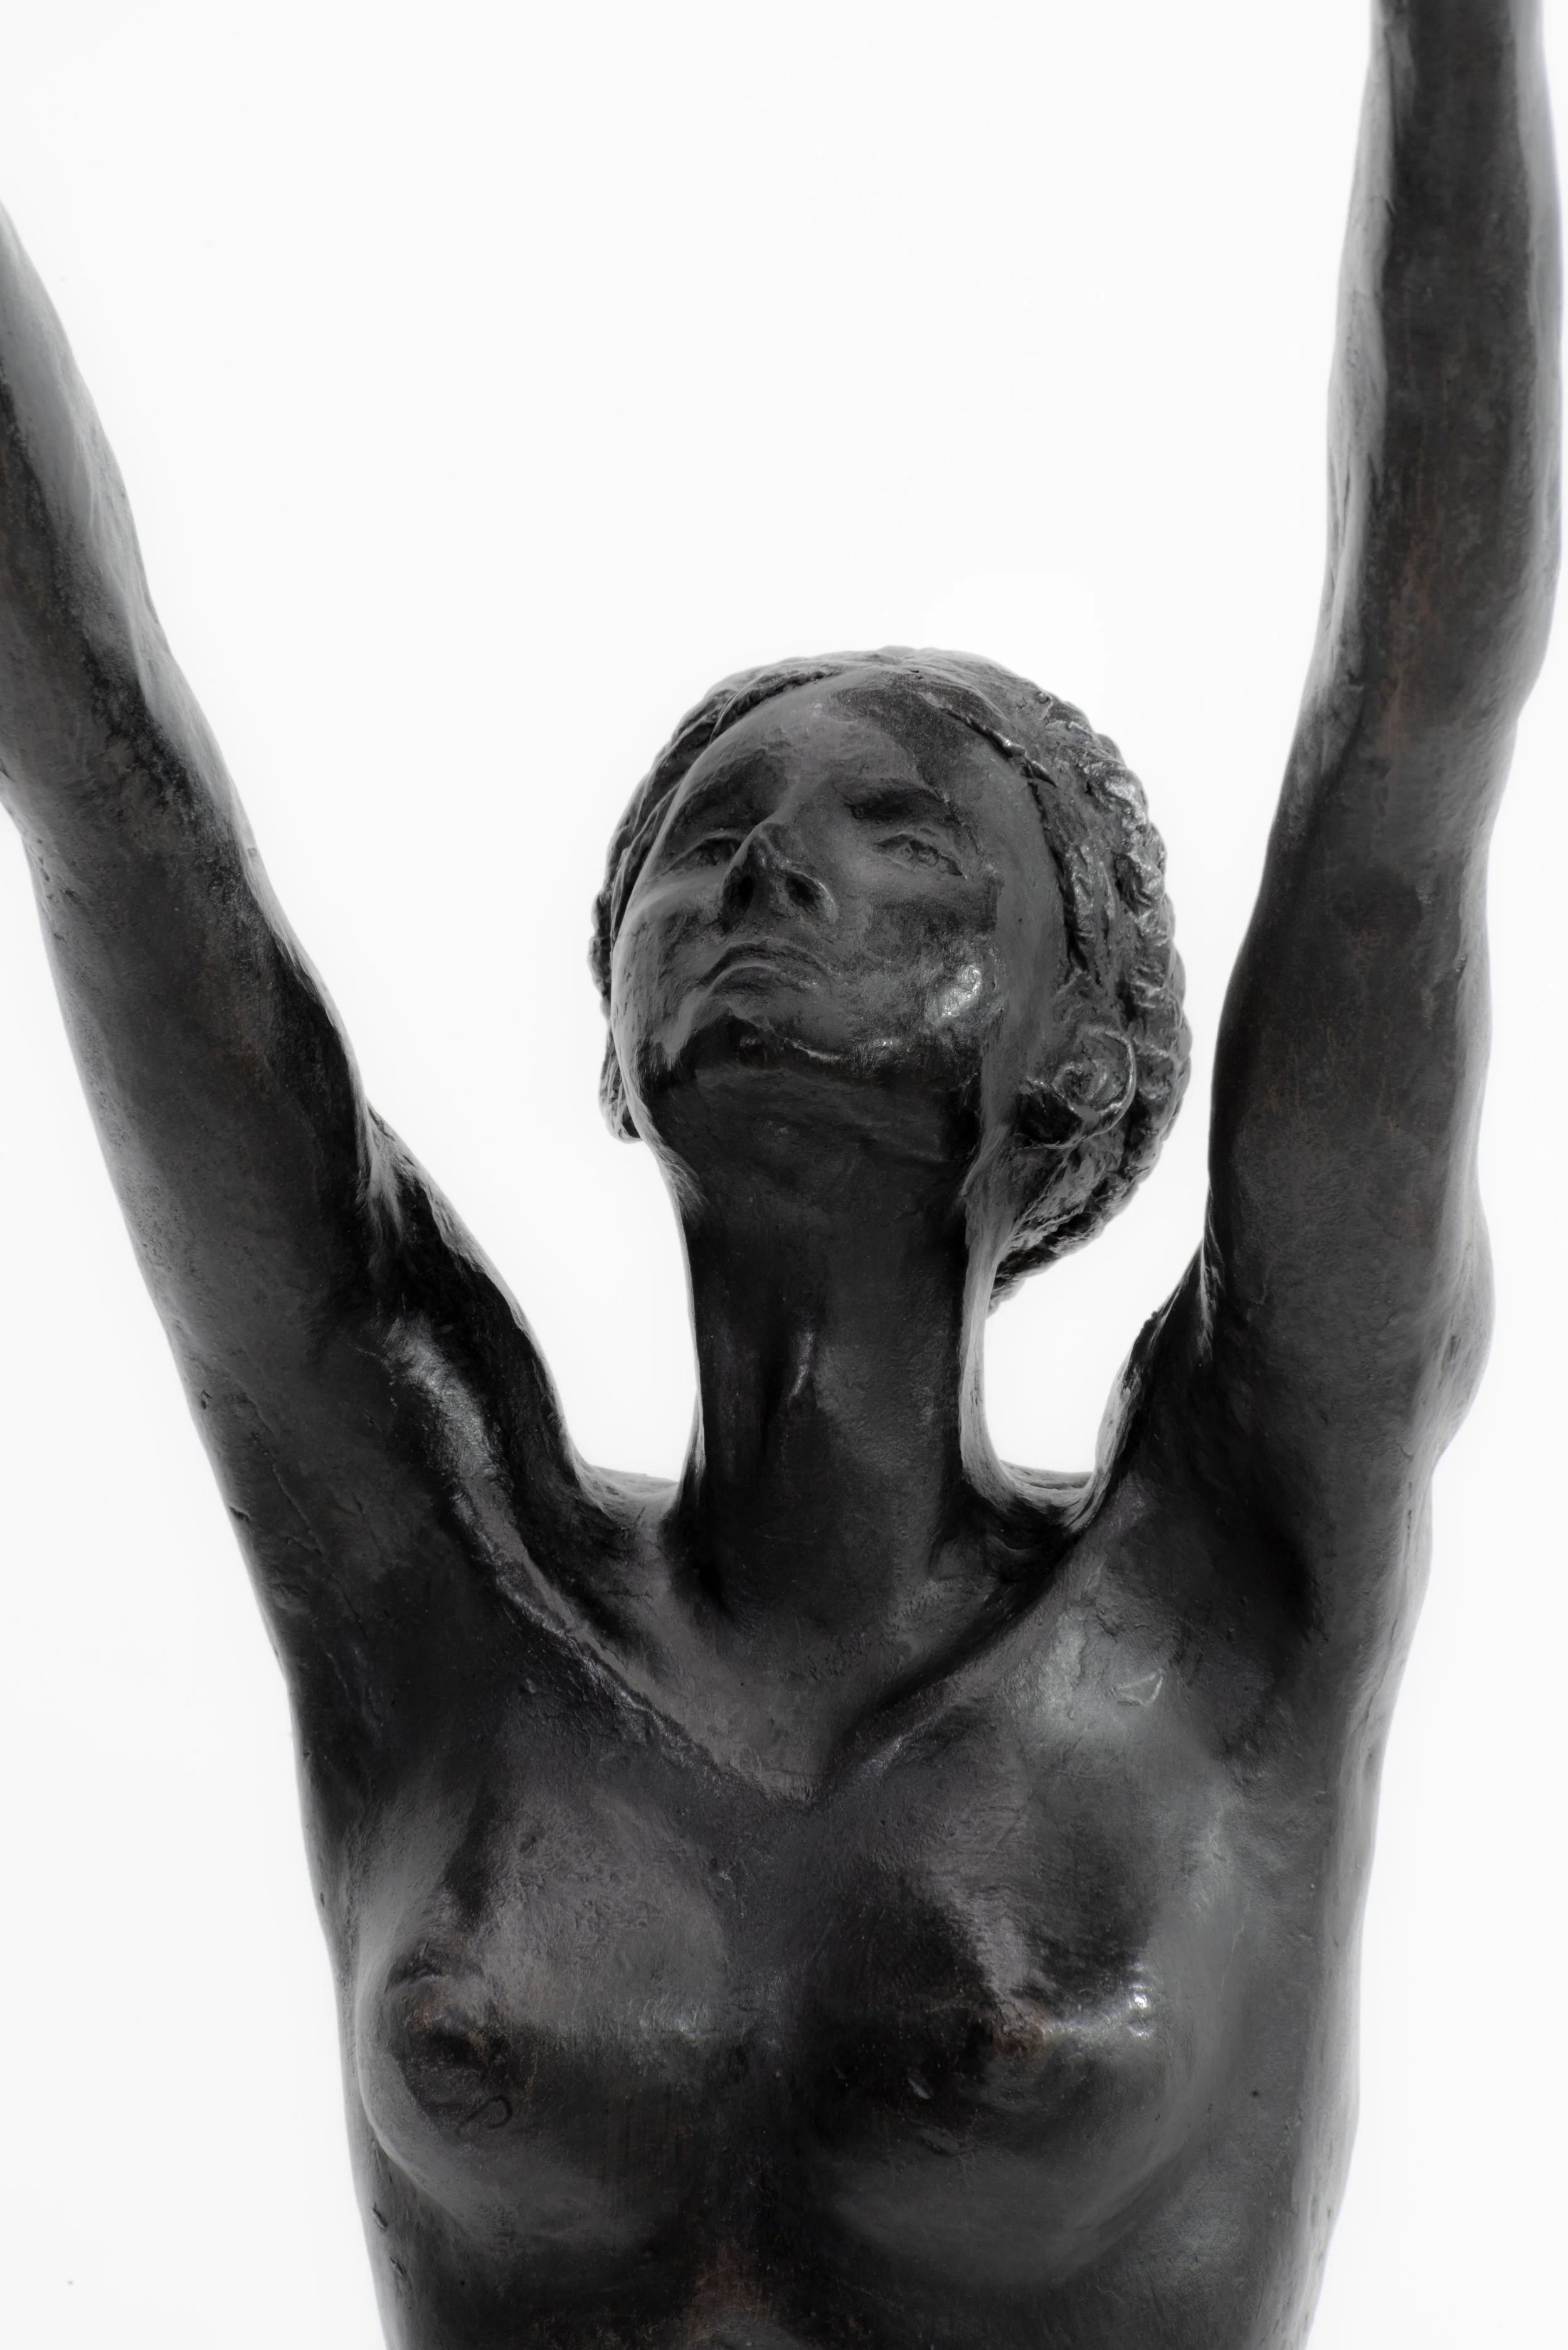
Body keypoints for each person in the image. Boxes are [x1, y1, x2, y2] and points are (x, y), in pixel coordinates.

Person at [0, 2, 1556, 2345]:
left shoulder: (1232, 1565)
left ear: (1088, 1062)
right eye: (703, 850)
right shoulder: (430, 1558)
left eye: (903, 849)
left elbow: (1408, 716)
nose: (766, 883)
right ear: (615, 1047)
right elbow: (105, 779)